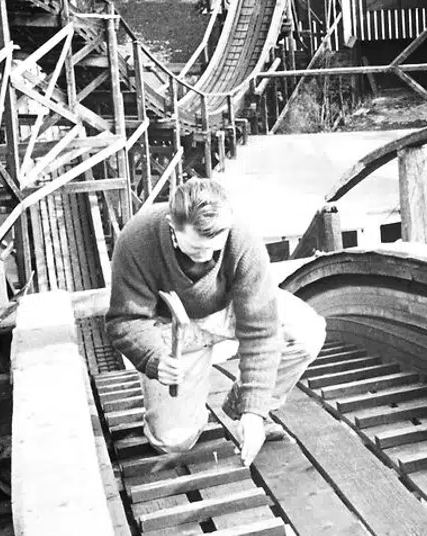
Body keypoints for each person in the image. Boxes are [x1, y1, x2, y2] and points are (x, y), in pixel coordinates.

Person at [106, 177, 326, 465]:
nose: (206, 258)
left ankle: (242, 404)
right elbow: (124, 320)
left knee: (306, 332)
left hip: (226, 312)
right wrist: (154, 358)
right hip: (173, 329)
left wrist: (254, 411)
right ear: (172, 225)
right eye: (196, 250)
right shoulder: (137, 238)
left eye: (215, 250)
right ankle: (184, 397)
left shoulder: (242, 237)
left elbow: (261, 331)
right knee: (173, 442)